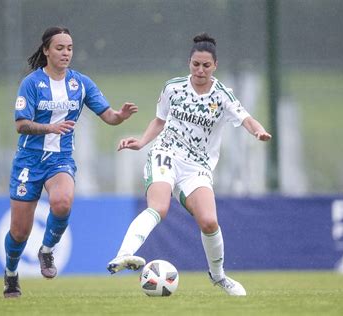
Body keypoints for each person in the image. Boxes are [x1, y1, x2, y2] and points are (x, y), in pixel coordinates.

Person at [107, 33, 272, 296]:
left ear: (215, 65)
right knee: (158, 208)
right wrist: (141, 142)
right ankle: (124, 254)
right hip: (166, 153)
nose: (200, 70)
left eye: (206, 65)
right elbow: (159, 121)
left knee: (208, 221)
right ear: (189, 63)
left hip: (197, 167)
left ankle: (218, 277)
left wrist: (259, 132)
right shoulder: (173, 87)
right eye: (196, 64)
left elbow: (247, 119)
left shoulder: (222, 96)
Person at [3, 26, 138, 298]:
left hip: (60, 160)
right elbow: (20, 125)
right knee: (19, 232)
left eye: (70, 48)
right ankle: (11, 274)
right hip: (28, 162)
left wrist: (120, 116)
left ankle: (47, 251)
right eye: (60, 48)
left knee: (63, 202)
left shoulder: (80, 83)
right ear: (46, 51)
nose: (66, 53)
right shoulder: (31, 83)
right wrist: (48, 129)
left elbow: (108, 116)